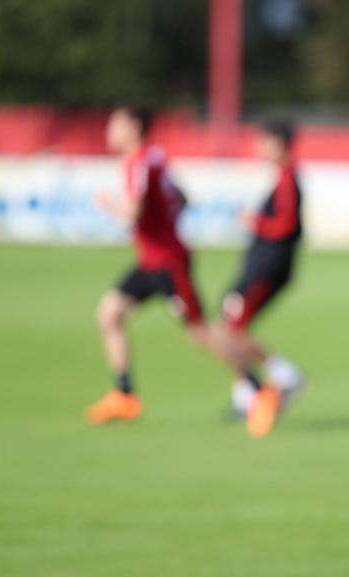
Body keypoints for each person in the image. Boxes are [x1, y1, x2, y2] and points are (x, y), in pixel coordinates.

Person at [85, 107, 242, 425]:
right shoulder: (155, 157)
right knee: (109, 313)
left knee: (200, 333)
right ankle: (125, 395)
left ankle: (258, 387)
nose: (109, 131)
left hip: (168, 263)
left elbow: (134, 214)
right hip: (152, 260)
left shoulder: (139, 161)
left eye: (115, 124)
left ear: (133, 127)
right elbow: (182, 198)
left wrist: (108, 206)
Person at [220, 120, 305, 438]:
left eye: (264, 141)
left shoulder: (288, 179)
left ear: (280, 144)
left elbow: (284, 226)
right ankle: (246, 395)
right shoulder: (284, 177)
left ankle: (282, 377)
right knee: (228, 324)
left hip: (267, 267)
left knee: (229, 329)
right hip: (262, 266)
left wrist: (254, 220)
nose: (259, 147)